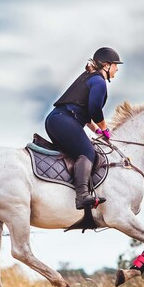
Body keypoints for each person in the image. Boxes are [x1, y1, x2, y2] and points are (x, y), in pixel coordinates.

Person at [46, 47, 123, 210]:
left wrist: (97, 131)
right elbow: (95, 109)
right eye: (116, 65)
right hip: (64, 121)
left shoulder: (90, 78)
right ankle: (82, 197)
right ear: (107, 65)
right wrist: (105, 127)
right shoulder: (99, 82)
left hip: (55, 120)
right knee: (88, 153)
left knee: (75, 153)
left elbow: (85, 114)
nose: (117, 69)